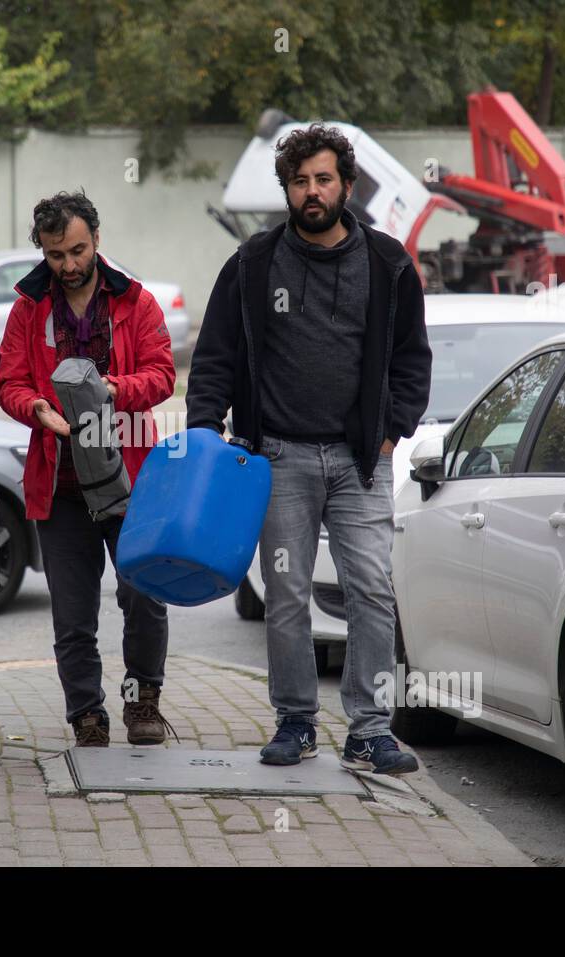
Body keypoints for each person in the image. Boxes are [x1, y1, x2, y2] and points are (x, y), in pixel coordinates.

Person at [186, 124, 432, 774]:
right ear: (287, 190)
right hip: (279, 459)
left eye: (323, 178)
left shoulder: (387, 263)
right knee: (287, 592)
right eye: (300, 181)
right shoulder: (252, 264)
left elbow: (411, 359)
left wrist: (390, 430)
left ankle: (370, 729)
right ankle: (295, 722)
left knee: (373, 591)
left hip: (359, 462)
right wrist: (204, 432)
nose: (312, 190)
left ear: (347, 185)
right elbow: (215, 356)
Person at [0, 190, 176, 747]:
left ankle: (143, 701)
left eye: (77, 250)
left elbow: (163, 375)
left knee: (143, 597)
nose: (69, 265)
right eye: (56, 255)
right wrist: (38, 408)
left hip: (130, 482)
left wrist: (111, 391)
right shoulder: (28, 307)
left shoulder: (137, 302)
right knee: (73, 617)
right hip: (61, 484)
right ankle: (87, 715)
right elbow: (9, 383)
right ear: (42, 251)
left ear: (97, 239)